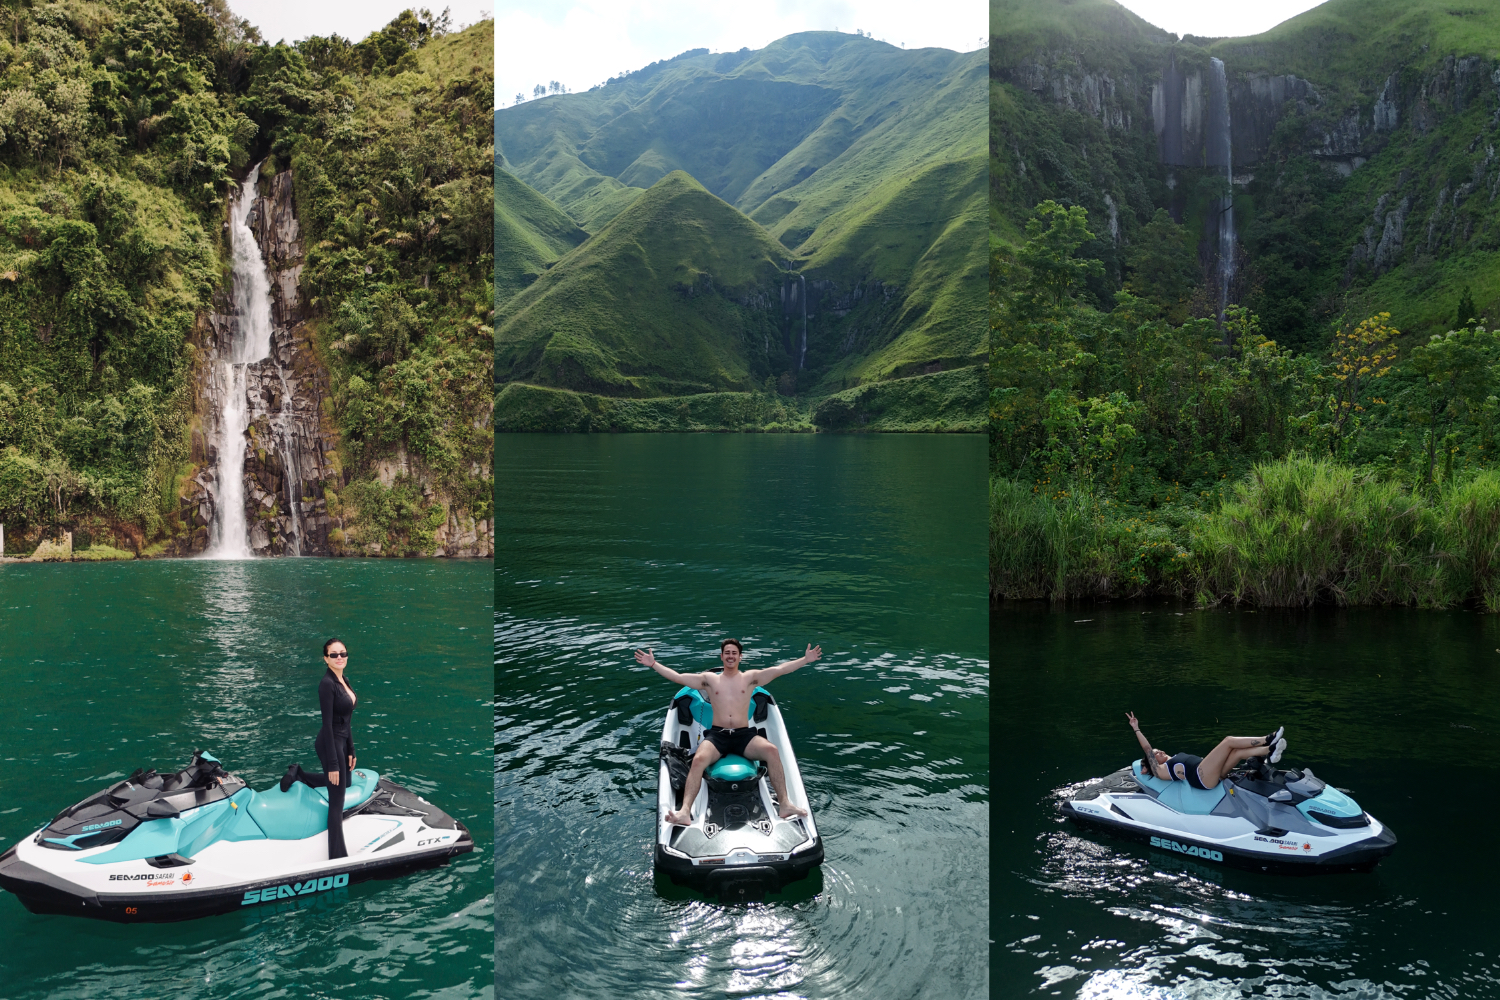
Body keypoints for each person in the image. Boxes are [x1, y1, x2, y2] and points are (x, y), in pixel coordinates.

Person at [636, 638, 818, 826]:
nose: (730, 656)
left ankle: (785, 804)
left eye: (734, 653)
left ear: (740, 657)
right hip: (718, 735)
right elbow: (679, 677)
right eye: (727, 653)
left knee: (771, 750)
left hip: (743, 735)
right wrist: (654, 664)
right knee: (698, 760)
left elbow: (780, 670)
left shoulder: (751, 678)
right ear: (722, 656)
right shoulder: (710, 680)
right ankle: (684, 812)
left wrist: (805, 660)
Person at [280, 638, 358, 859]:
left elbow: (346, 718)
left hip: (342, 740)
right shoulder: (327, 684)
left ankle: (300, 774)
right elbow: (328, 724)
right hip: (329, 743)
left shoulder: (345, 680)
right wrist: (333, 764)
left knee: (347, 781)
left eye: (343, 653)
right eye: (334, 655)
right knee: (337, 801)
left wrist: (351, 750)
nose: (339, 657)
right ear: (326, 659)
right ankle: (337, 857)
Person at [1126, 712, 1286, 791]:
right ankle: (1267, 739)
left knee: (1236, 752)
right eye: (1155, 755)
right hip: (1201, 778)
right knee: (1228, 741)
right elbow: (1147, 749)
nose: (1158, 752)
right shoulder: (1159, 770)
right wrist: (1136, 728)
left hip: (1211, 774)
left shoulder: (1172, 759)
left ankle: (1269, 751)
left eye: (1158, 750)